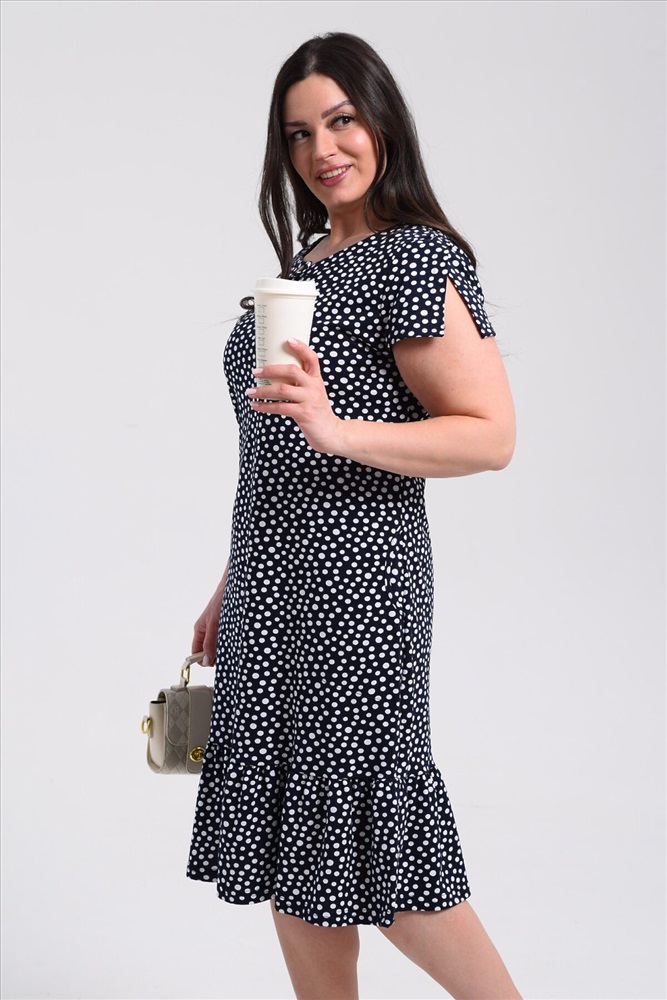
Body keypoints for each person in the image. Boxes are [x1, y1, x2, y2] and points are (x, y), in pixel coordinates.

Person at [187, 31, 521, 1000]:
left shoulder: (413, 257)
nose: (322, 149)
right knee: (294, 850)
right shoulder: (303, 265)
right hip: (269, 590)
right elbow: (274, 453)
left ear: (381, 122)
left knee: (384, 850)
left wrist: (338, 428)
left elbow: (490, 434)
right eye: (298, 133)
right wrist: (230, 581)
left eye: (340, 121)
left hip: (359, 591)